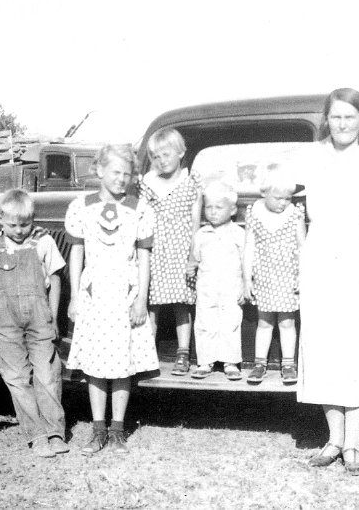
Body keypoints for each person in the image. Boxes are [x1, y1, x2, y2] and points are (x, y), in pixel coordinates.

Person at [297, 88, 359, 474]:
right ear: (326, 120)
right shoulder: (312, 155)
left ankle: (353, 443)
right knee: (324, 343)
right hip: (320, 256)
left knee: (358, 344)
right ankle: (333, 439)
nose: (343, 124)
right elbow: (279, 189)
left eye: (350, 117)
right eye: (336, 117)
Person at [65, 144, 159, 455]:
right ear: (99, 170)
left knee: (122, 364)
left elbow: (144, 258)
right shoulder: (81, 206)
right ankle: (97, 429)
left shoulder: (140, 208)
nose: (121, 179)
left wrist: (140, 300)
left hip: (126, 292)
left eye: (127, 174)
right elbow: (76, 253)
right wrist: (76, 297)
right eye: (115, 172)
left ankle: (117, 430)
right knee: (95, 363)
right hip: (95, 294)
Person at [0, 188, 67, 458]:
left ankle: (55, 432)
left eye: (25, 224)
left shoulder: (44, 242)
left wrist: (53, 314)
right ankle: (36, 436)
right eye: (12, 225)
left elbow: (56, 279)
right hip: (5, 319)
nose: (19, 230)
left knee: (47, 375)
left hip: (40, 316)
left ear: (33, 219)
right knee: (17, 378)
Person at [138, 128, 204, 376]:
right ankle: (146, 354)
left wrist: (192, 255)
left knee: (181, 304)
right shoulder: (147, 183)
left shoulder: (190, 182)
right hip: (154, 249)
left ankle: (183, 353)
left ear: (181, 153)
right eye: (155, 156)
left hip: (180, 248)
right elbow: (141, 216)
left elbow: (195, 220)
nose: (161, 161)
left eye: (166, 154)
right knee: (151, 303)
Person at [243, 164, 305, 384]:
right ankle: (260, 363)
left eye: (287, 198)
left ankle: (288, 364)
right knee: (265, 322)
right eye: (278, 197)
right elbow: (248, 247)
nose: (283, 203)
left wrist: (301, 275)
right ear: (264, 193)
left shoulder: (295, 212)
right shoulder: (253, 212)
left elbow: (301, 246)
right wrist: (246, 279)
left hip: (288, 276)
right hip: (264, 276)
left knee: (287, 322)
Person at [185, 181, 245, 380]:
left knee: (230, 323)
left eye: (219, 207)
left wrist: (245, 285)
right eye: (209, 207)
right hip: (207, 288)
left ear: (233, 209)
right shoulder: (201, 234)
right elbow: (195, 259)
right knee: (205, 323)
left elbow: (246, 262)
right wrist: (190, 269)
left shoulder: (238, 233)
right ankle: (205, 361)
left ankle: (230, 361)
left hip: (231, 287)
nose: (213, 212)